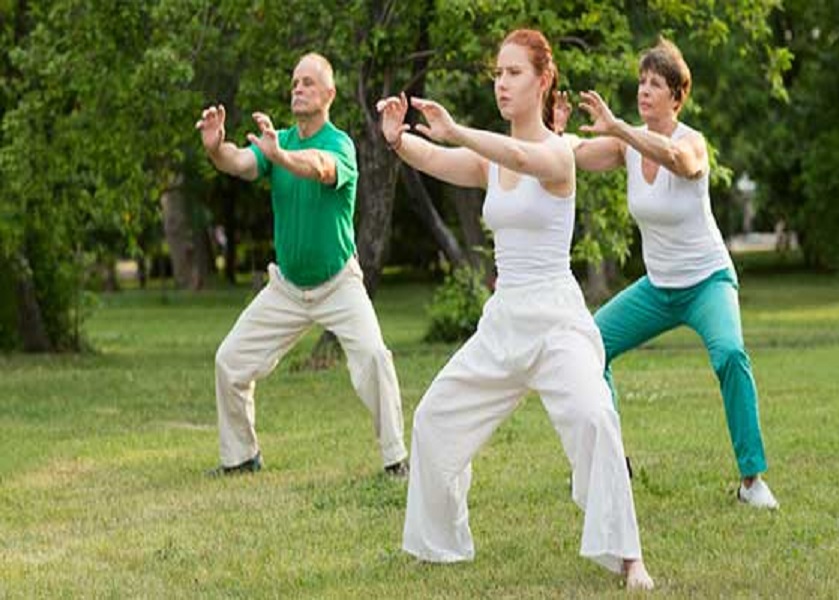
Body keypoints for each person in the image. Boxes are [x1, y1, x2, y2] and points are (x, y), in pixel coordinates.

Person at [377, 29, 654, 590]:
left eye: (514, 73)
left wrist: (459, 130)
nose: (502, 84)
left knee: (596, 419)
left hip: (556, 322)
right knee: (433, 420)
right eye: (498, 74)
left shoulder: (557, 153)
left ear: (543, 79)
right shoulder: (489, 162)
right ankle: (441, 545)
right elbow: (441, 158)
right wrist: (399, 141)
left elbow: (522, 154)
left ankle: (630, 558)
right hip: (504, 320)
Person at [554, 37, 778, 509]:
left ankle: (752, 481)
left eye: (655, 84)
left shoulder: (691, 140)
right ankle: (613, 463)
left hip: (707, 282)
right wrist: (554, 132)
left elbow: (682, 163)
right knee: (591, 345)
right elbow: (573, 154)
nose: (644, 91)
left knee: (730, 355)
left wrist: (619, 129)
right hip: (658, 287)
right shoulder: (626, 145)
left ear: (677, 97)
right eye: (641, 82)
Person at [195, 53, 408, 478]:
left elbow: (321, 169)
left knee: (373, 358)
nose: (298, 88)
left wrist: (281, 157)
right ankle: (241, 458)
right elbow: (238, 162)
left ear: (329, 94)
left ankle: (395, 459)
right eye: (294, 82)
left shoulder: (338, 144)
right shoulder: (280, 140)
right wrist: (216, 147)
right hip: (287, 288)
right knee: (229, 361)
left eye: (308, 83)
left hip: (338, 284)